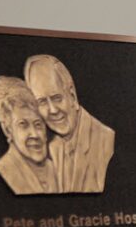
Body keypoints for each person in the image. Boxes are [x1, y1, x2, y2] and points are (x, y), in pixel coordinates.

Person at [23, 54, 115, 193]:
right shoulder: (54, 149)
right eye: (42, 102)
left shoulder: (105, 141)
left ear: (72, 95)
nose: (52, 110)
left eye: (57, 98)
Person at [0, 76, 58, 194]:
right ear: (7, 130)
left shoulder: (59, 170)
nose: (34, 134)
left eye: (38, 124)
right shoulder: (4, 171)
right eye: (23, 124)